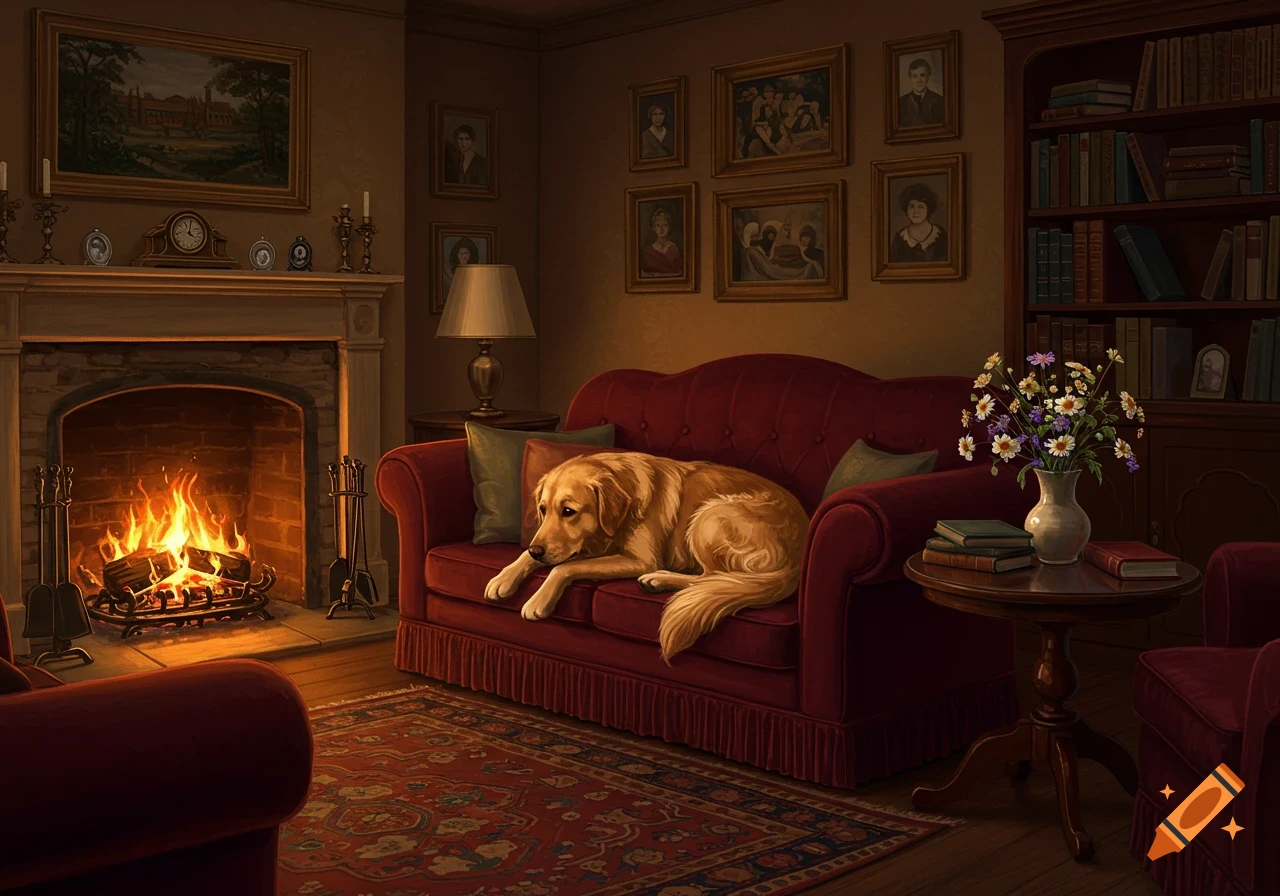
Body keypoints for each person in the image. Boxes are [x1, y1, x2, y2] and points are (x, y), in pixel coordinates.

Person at [890, 182, 948, 264]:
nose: (915, 211)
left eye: (921, 207)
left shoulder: (940, 234)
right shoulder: (899, 238)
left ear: (928, 209)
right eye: (911, 206)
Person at [898, 57, 945, 128]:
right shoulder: (901, 102)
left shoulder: (939, 100)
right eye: (915, 76)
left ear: (928, 76)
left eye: (922, 75)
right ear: (910, 77)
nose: (919, 80)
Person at [640, 207, 682, 277]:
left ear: (669, 227)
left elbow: (680, 273)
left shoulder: (673, 248)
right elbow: (643, 274)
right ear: (654, 227)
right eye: (658, 225)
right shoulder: (648, 251)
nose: (661, 229)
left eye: (665, 225)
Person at [442, 236, 480, 303]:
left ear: (470, 255)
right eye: (461, 254)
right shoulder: (452, 271)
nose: (463, 256)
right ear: (457, 255)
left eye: (466, 253)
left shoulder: (476, 272)